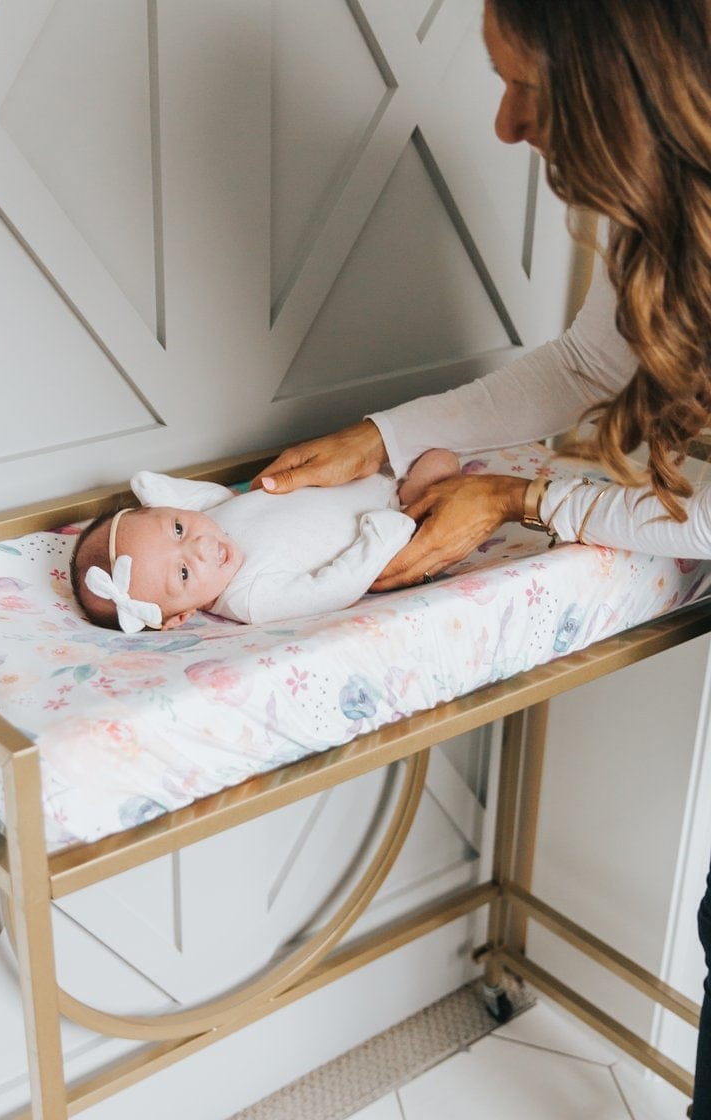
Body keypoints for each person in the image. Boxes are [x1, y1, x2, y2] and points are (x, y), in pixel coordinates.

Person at [252, 0, 711, 1110]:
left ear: (622, 89)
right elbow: (583, 366)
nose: (505, 123)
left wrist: (527, 493)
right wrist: (382, 436)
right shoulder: (662, 210)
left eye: (528, 89)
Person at [69, 450, 459, 631]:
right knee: (440, 466)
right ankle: (420, 496)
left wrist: (159, 489)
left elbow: (204, 499)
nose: (200, 546)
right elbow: (333, 589)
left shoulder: (210, 519)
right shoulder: (250, 598)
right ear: (183, 615)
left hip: (348, 475)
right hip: (391, 510)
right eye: (184, 573)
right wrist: (383, 535)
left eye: (177, 529)